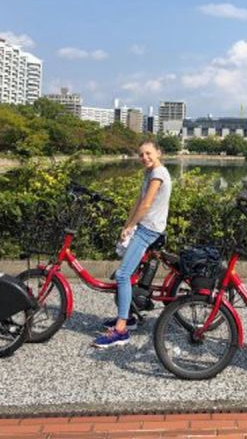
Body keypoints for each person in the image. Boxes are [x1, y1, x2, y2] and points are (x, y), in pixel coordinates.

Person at [92, 139, 171, 348]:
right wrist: (127, 226)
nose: (144, 158)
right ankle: (129, 316)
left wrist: (133, 226)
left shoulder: (158, 174)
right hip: (143, 226)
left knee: (123, 275)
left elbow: (146, 204)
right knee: (130, 274)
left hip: (149, 229)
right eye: (141, 154)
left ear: (158, 153)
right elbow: (138, 201)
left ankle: (121, 329)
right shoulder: (149, 173)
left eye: (148, 153)